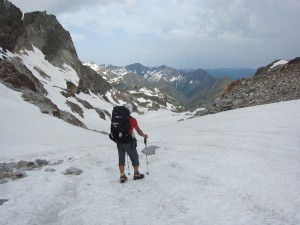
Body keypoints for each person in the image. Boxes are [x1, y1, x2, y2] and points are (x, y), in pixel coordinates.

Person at [117, 103, 148, 183]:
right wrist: (144, 135)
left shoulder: (117, 118)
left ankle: (122, 176)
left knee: (121, 159)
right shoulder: (132, 120)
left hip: (119, 142)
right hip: (129, 142)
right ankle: (136, 174)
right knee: (134, 157)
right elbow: (138, 131)